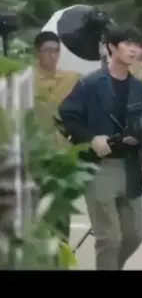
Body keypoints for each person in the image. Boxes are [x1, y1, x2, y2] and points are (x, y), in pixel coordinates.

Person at [58, 24, 142, 270]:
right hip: (100, 167)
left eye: (136, 45)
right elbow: (67, 115)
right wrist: (91, 138)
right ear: (112, 47)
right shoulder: (90, 84)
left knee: (135, 234)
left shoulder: (140, 89)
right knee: (109, 238)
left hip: (131, 167)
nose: (133, 50)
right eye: (127, 44)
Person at [33, 31, 81, 242]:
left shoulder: (71, 79)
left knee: (61, 210)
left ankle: (62, 250)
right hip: (34, 155)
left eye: (56, 51)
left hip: (63, 154)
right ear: (37, 52)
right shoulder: (24, 80)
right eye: (47, 51)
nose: (52, 55)